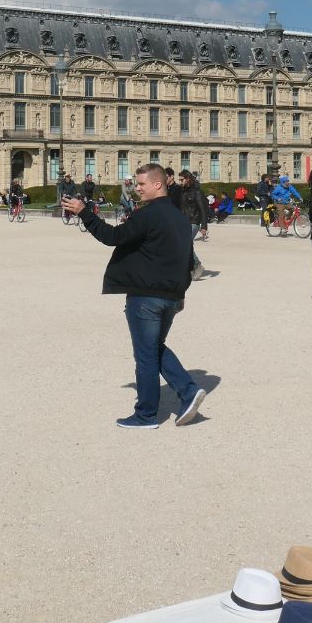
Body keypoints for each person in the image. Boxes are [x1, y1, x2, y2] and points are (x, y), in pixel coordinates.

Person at [63, 163, 206, 431]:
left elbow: (112, 236)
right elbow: (187, 260)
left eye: (141, 184)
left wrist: (84, 213)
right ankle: (188, 391)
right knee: (155, 348)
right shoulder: (179, 218)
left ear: (158, 184)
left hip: (146, 297)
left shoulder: (147, 214)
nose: (136, 189)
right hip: (170, 296)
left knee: (146, 355)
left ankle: (147, 415)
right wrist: (180, 294)